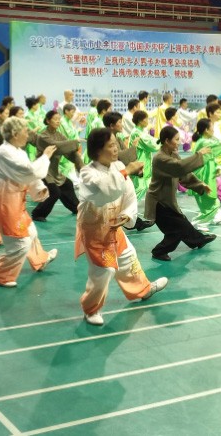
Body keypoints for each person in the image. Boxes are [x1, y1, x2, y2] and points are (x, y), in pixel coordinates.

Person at [77, 128, 168, 326]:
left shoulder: (117, 165)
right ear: (98, 150)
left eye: (115, 144)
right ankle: (90, 309)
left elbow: (128, 194)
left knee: (127, 256)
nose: (116, 148)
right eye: (111, 145)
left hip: (113, 225)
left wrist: (126, 214)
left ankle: (143, 289)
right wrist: (127, 171)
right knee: (104, 270)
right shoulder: (87, 173)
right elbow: (106, 191)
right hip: (94, 229)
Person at [0, 117, 59, 287]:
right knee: (19, 243)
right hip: (6, 202)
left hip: (16, 200)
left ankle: (40, 259)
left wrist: (38, 190)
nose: (29, 134)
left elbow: (29, 175)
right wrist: (46, 156)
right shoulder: (5, 153)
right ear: (14, 133)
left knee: (31, 232)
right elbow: (30, 171)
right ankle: (2, 276)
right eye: (26, 131)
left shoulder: (18, 151)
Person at [145, 125, 217, 261]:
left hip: (167, 201)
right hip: (158, 202)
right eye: (176, 139)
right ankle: (159, 251)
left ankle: (197, 240)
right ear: (167, 141)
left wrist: (200, 186)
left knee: (181, 222)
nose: (179, 142)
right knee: (176, 230)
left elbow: (184, 175)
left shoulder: (173, 155)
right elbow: (179, 167)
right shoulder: (160, 158)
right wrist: (199, 155)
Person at [30, 109, 83, 222]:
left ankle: (76, 207)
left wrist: (80, 165)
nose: (58, 121)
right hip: (44, 170)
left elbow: (67, 151)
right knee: (54, 193)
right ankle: (37, 214)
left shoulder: (59, 135)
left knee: (67, 185)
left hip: (54, 170)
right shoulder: (43, 136)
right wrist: (75, 142)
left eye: (59, 119)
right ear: (48, 121)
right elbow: (57, 146)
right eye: (55, 119)